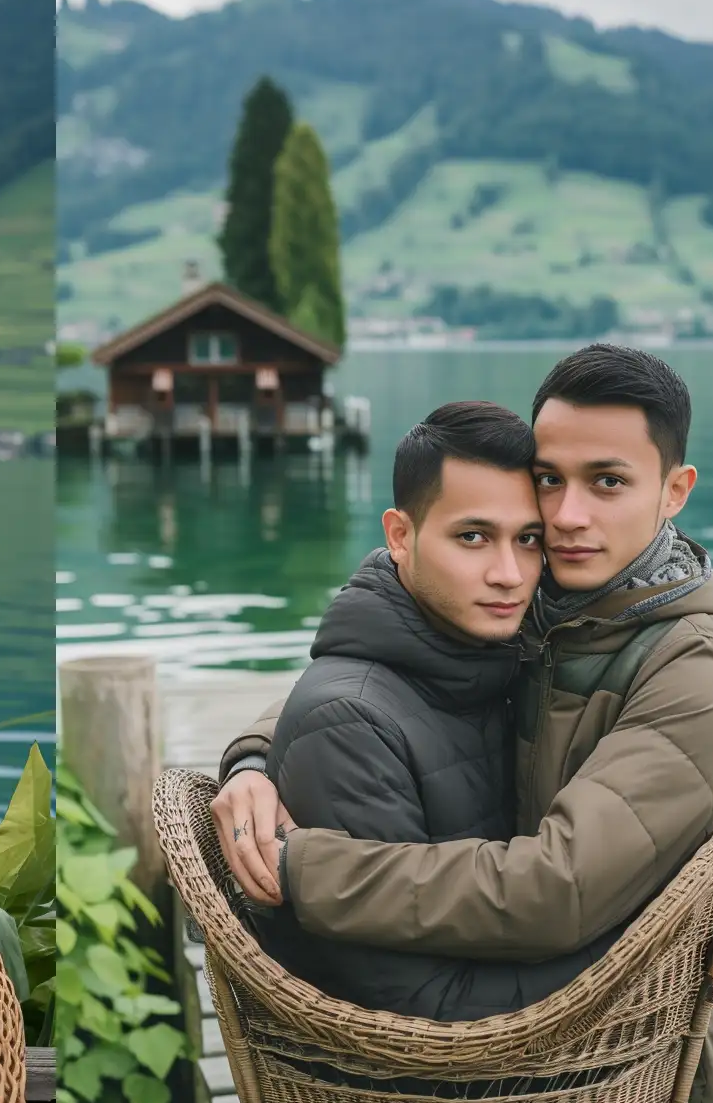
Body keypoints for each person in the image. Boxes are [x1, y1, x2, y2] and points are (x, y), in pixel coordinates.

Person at [213, 345, 713, 1103]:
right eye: (551, 481)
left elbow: (558, 888)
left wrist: (305, 869)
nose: (566, 518)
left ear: (675, 491)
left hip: (610, 1070)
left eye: (608, 482)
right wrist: (255, 758)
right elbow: (388, 656)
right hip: (472, 1048)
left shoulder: (697, 669)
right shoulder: (543, 594)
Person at [250, 400, 625, 1017]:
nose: (509, 574)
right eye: (472, 537)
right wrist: (649, 954)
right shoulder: (349, 726)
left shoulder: (511, 660)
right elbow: (413, 1005)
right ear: (400, 536)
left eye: (528, 540)